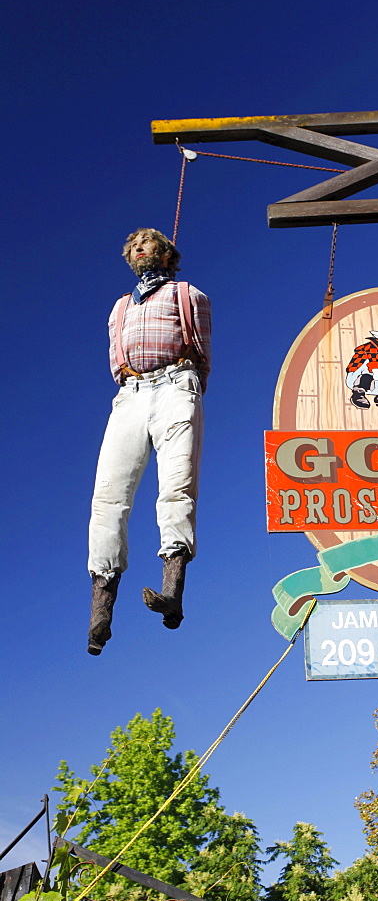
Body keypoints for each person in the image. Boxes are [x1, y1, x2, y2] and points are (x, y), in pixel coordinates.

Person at [87, 228, 211, 655]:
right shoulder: (120, 307)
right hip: (131, 394)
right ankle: (101, 610)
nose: (140, 249)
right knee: (108, 496)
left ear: (166, 254)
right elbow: (115, 358)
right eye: (133, 246)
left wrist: (189, 388)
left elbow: (202, 348)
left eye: (149, 243)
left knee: (176, 487)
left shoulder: (187, 295)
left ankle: (172, 590)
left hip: (177, 384)